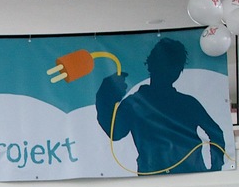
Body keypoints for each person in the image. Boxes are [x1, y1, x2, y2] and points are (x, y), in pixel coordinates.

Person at [95, 37, 227, 174]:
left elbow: (216, 133)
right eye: (164, 64)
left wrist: (215, 169)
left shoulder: (186, 103)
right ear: (152, 65)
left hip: (181, 177)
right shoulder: (135, 104)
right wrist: (106, 95)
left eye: (173, 65)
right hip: (160, 178)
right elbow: (115, 133)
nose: (168, 70)